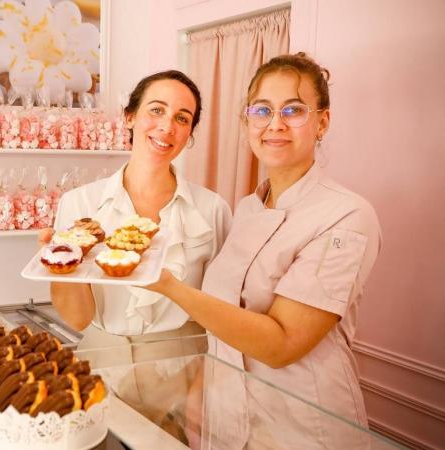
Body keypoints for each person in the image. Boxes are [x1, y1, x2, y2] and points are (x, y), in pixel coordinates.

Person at [145, 53, 382, 448]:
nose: (275, 124)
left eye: (293, 110)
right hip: (225, 418)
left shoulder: (347, 215)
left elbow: (281, 344)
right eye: (262, 110)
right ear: (246, 121)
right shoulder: (248, 208)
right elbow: (223, 327)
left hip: (301, 425)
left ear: (322, 121)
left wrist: (171, 287)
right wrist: (197, 399)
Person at [39, 70, 232, 435]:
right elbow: (78, 318)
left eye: (182, 118)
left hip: (182, 365)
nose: (167, 127)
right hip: (101, 362)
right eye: (156, 110)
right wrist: (61, 267)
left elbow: (221, 312)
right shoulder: (80, 203)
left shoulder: (213, 210)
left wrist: (200, 389)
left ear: (190, 133)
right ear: (129, 116)